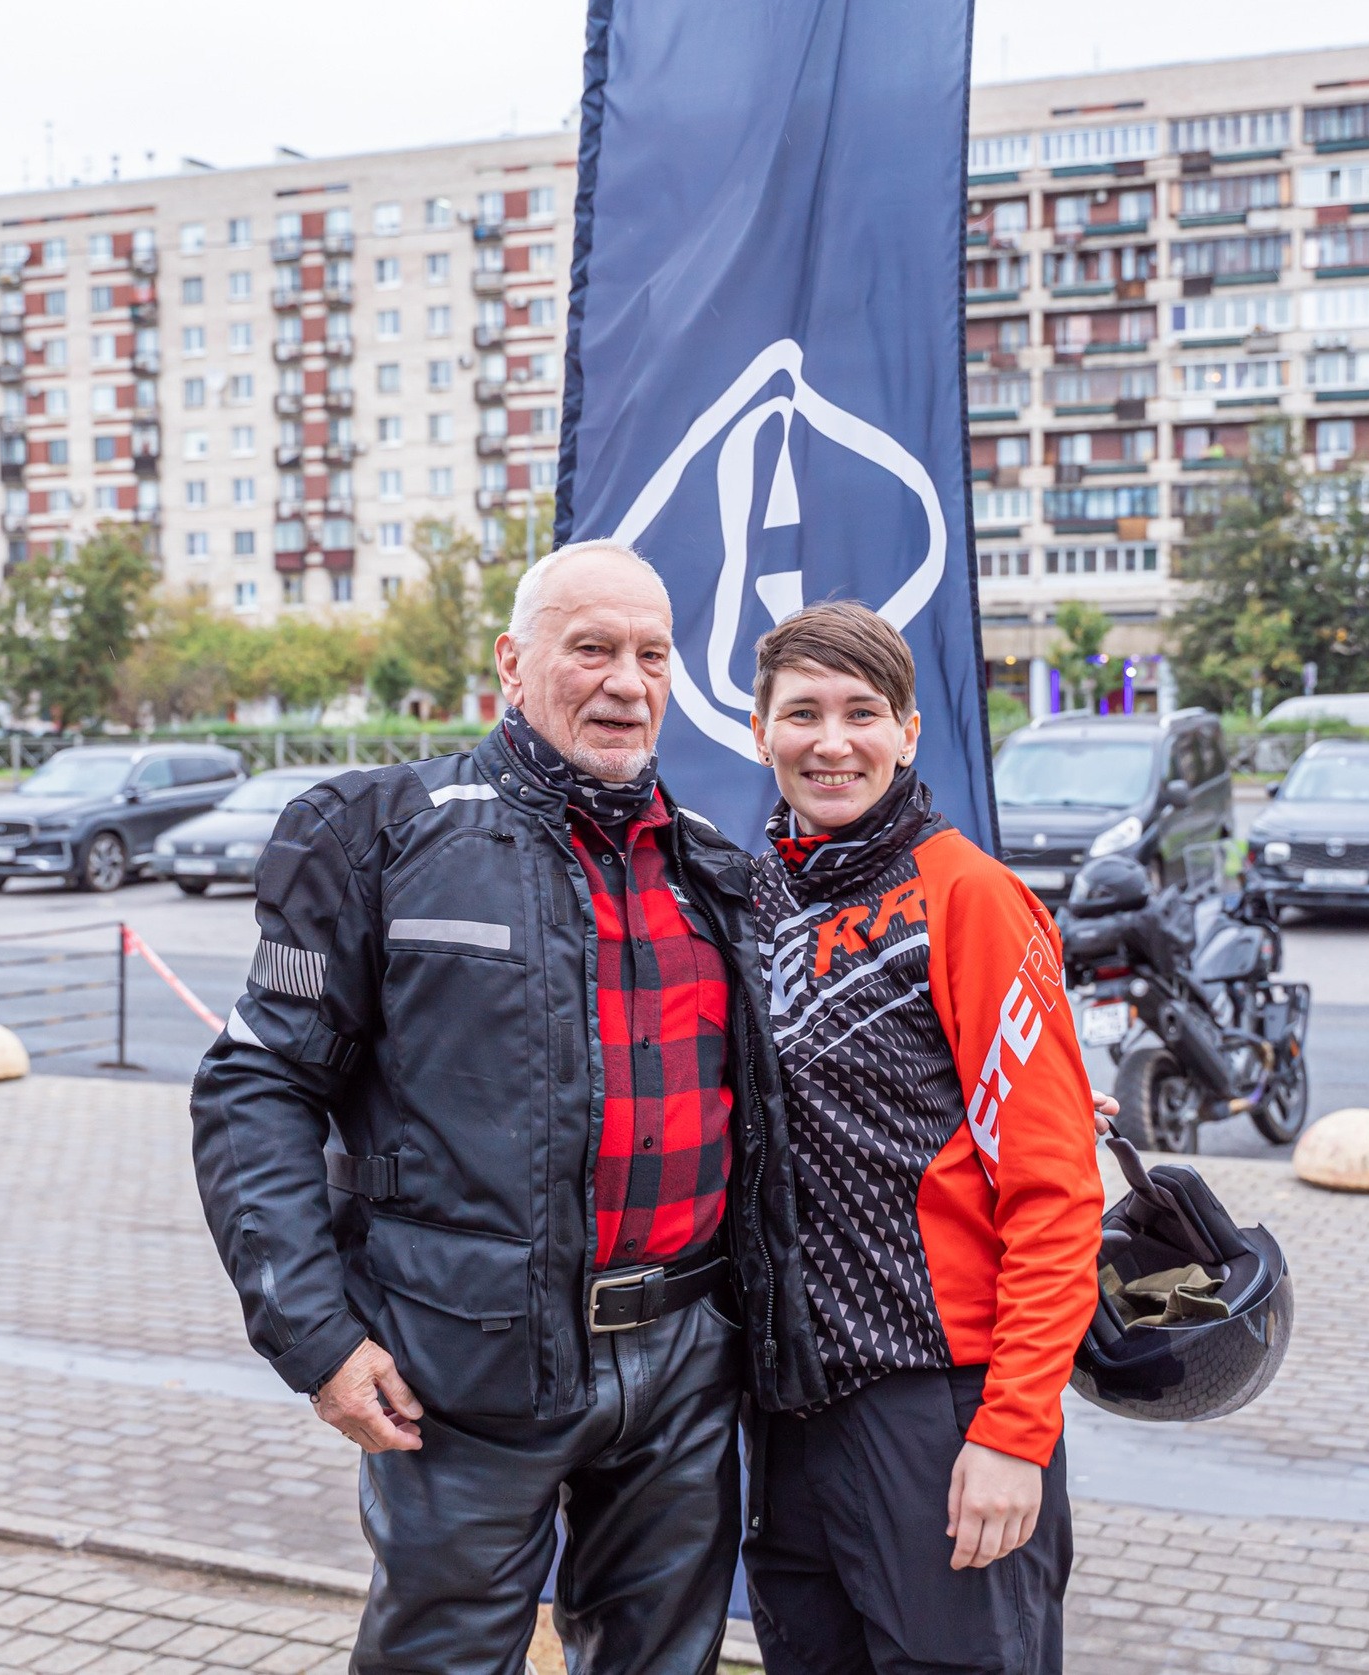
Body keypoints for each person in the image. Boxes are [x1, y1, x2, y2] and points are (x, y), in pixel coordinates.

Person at [189, 541, 821, 1675]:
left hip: (683, 1368)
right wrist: (318, 1339)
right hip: (461, 1372)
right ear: (512, 664)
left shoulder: (716, 874)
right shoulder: (379, 834)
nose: (627, 682)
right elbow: (258, 1085)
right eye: (592, 649)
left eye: (651, 655)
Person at [742, 602, 1111, 1675]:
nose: (831, 741)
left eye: (862, 713)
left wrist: (1013, 1429)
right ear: (759, 730)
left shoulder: (972, 898)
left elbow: (1054, 1192)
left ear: (908, 732)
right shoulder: (753, 897)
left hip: (939, 1404)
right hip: (790, 1412)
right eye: (801, 712)